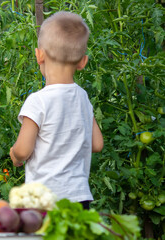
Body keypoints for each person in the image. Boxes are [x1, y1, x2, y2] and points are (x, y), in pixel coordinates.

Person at [9, 11, 104, 209]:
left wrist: (15, 156)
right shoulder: (83, 97)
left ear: (39, 55)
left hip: (43, 200)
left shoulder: (38, 101)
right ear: (82, 62)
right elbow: (97, 144)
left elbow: (23, 150)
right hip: (78, 198)